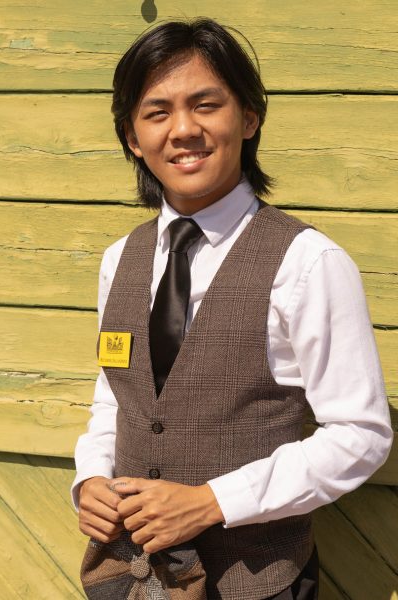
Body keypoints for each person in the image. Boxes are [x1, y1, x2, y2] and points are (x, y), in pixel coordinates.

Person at [72, 17, 393, 600]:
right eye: (157, 111)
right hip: (133, 577)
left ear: (248, 118)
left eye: (205, 104)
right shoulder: (120, 259)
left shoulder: (307, 261)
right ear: (130, 136)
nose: (183, 129)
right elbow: (115, 397)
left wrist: (211, 502)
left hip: (256, 582)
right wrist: (90, 476)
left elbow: (359, 434)